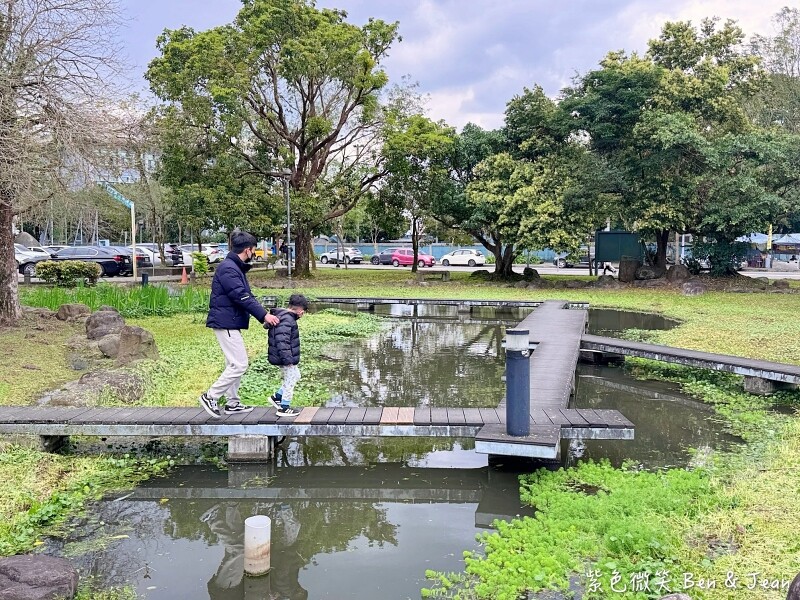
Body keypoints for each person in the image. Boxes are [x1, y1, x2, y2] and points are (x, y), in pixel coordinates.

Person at [199, 231, 280, 418]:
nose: (254, 253)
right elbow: (241, 296)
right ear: (248, 250)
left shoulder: (234, 267)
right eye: (254, 249)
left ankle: (232, 403)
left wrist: (263, 315)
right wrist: (263, 316)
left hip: (230, 321)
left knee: (233, 363)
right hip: (225, 322)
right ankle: (210, 396)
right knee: (240, 364)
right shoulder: (228, 268)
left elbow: (246, 295)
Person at [265, 294, 309, 418]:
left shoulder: (284, 317)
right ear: (300, 309)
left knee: (296, 376)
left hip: (285, 357)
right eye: (303, 311)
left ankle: (277, 397)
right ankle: (284, 407)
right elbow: (282, 342)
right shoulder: (287, 320)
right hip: (285, 358)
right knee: (290, 381)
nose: (303, 314)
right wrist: (288, 360)